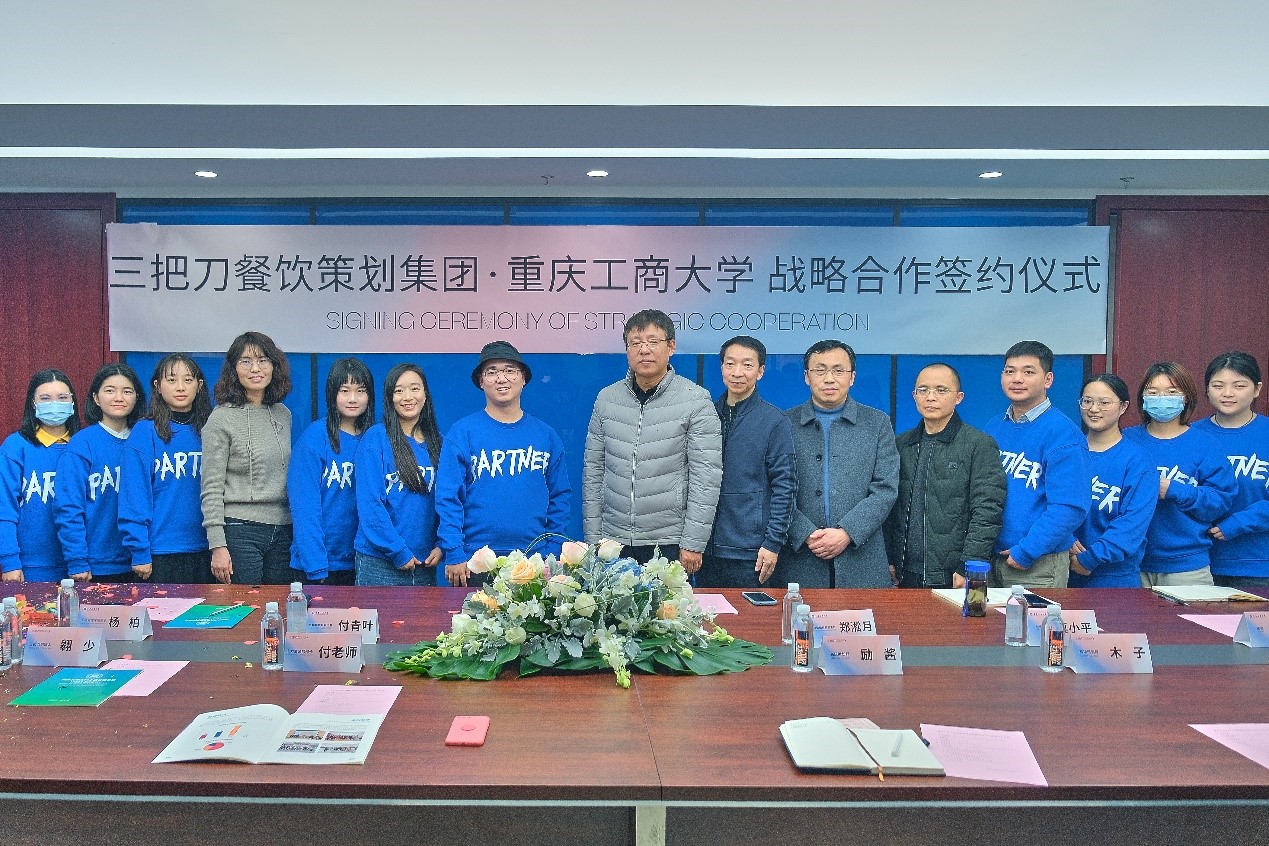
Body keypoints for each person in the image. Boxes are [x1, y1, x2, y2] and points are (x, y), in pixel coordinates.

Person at [583, 309, 721, 570]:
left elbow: (706, 478)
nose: (644, 350)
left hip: (668, 541)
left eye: (653, 341)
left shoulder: (696, 400)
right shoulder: (607, 399)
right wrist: (593, 539)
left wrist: (693, 542)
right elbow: (594, 472)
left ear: (671, 347)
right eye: (635, 343)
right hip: (613, 540)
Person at [437, 341, 571, 587]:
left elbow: (560, 496)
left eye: (510, 370)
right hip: (474, 561)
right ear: (481, 381)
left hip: (534, 561)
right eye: (492, 372)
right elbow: (448, 498)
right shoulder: (462, 433)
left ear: (523, 378)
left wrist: (553, 550)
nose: (501, 378)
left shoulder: (546, 436)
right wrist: (454, 551)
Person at [782, 340, 898, 588]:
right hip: (800, 558)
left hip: (862, 559)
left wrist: (848, 532)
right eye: (820, 370)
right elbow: (773, 489)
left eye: (838, 370)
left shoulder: (877, 423)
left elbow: (886, 488)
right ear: (806, 377)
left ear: (852, 377)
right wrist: (804, 532)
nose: (829, 379)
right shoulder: (783, 423)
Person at [884, 362, 1005, 589]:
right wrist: (890, 558)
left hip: (953, 574)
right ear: (914, 395)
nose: (931, 397)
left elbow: (988, 510)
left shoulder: (978, 444)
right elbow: (890, 509)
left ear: (958, 397)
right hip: (905, 574)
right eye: (923, 390)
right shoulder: (901, 444)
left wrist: (969, 564)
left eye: (941, 390)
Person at [983, 340, 1089, 589]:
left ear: (1048, 379)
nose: (1017, 379)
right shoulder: (994, 427)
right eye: (1010, 371)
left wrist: (1027, 551)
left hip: (1036, 564)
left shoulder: (1064, 434)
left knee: (1031, 618)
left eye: (1028, 372)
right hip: (989, 559)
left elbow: (1070, 507)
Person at [1124, 361, 1237, 586]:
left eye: (1171, 392)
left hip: (1187, 566)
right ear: (1142, 399)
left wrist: (1173, 489)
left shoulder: (1205, 444)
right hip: (1129, 564)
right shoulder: (1126, 439)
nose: (1161, 398)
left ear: (1186, 398)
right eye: (1153, 392)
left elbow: (1221, 501)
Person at [698, 336, 796, 588]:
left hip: (751, 552)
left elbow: (785, 487)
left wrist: (773, 543)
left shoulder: (774, 421)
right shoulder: (706, 415)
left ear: (760, 371)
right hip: (705, 549)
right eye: (730, 364)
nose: (737, 372)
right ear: (721, 368)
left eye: (747, 365)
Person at [201, 331, 293, 585]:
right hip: (239, 530)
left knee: (279, 603)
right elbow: (211, 486)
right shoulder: (221, 418)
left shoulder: (283, 414)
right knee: (246, 605)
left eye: (263, 360)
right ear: (234, 369)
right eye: (246, 361)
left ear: (274, 366)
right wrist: (217, 545)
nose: (255, 369)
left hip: (283, 530)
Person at [118, 354, 213, 583]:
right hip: (160, 552)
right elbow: (134, 496)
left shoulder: (212, 429)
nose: (180, 387)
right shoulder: (145, 432)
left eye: (188, 380)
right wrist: (139, 550)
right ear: (157, 386)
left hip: (208, 549)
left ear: (199, 385)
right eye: (171, 380)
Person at [54, 363, 148, 583]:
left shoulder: (145, 439)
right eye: (110, 390)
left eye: (127, 391)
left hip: (143, 561)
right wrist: (77, 559)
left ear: (137, 397)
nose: (119, 398)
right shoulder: (82, 443)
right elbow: (68, 507)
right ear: (96, 398)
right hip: (96, 565)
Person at [354, 362, 443, 585]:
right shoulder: (376, 439)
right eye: (399, 390)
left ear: (425, 394)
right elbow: (370, 504)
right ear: (390, 398)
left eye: (415, 389)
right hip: (379, 564)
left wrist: (442, 545)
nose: (407, 397)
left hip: (424, 564)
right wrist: (398, 551)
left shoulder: (439, 443)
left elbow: (450, 501)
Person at [287, 358, 374, 586]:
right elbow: (304, 507)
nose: (353, 398)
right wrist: (316, 565)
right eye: (344, 391)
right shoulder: (315, 438)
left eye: (360, 391)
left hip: (366, 562)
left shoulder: (376, 439)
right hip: (321, 565)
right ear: (332, 394)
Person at [1068, 374, 1157, 587]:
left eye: (1104, 403)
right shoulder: (1068, 452)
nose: (1094, 409)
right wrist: (1064, 539)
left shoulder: (1138, 460)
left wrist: (1091, 558)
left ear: (1123, 406)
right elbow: (1047, 504)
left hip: (1115, 578)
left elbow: (1133, 523)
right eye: (1087, 401)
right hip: (1064, 569)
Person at [1193, 351, 1269, 587]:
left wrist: (1239, 523)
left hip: (1258, 564)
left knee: (1256, 615)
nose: (1227, 393)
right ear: (1207, 389)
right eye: (1218, 385)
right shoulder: (1191, 435)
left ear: (1257, 389)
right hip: (1198, 564)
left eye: (1239, 386)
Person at [0, 368, 82, 582]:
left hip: (82, 566)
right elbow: (5, 508)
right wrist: (10, 561)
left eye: (62, 398)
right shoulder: (15, 447)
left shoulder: (84, 445)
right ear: (33, 403)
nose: (54, 404)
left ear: (73, 403)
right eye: (45, 398)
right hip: (30, 566)